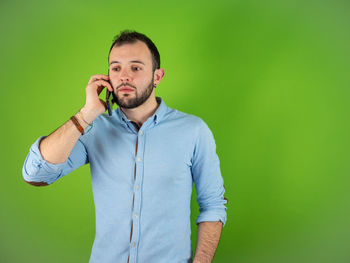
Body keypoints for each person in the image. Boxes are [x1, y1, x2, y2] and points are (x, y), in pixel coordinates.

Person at [22, 30, 228, 263]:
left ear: (157, 76)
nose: (124, 77)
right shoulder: (93, 128)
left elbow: (213, 204)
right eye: (116, 68)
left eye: (136, 68)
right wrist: (86, 114)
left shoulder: (193, 130)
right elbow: (36, 174)